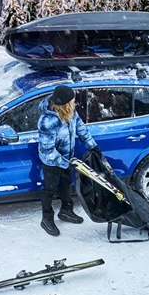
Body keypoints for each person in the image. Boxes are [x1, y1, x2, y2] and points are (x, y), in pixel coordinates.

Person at [37, 84, 101, 237]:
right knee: (50, 189)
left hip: (67, 157)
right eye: (72, 100)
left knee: (65, 184)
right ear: (64, 103)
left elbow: (81, 128)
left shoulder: (71, 112)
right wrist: (66, 163)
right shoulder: (47, 122)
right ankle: (46, 218)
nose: (74, 101)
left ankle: (66, 211)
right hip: (51, 162)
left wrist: (93, 146)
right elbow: (48, 150)